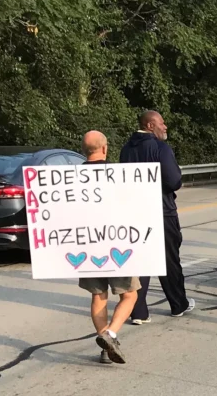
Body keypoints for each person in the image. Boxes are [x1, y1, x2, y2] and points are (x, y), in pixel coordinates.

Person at [120, 110, 194, 322]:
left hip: (135, 212)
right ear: (150, 126)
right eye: (162, 123)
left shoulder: (126, 150)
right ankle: (178, 304)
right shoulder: (160, 148)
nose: (165, 127)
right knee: (168, 259)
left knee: (141, 261)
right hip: (161, 211)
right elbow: (173, 180)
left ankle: (138, 311)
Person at [79, 130, 137, 364]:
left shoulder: (70, 179)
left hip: (86, 243)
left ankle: (105, 346)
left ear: (84, 151)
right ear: (105, 149)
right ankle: (110, 336)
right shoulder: (118, 175)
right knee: (130, 295)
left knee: (98, 295)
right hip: (116, 243)